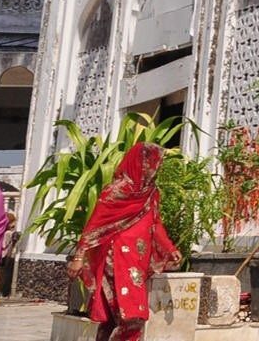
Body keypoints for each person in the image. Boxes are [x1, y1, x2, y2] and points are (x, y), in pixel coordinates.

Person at [67, 143, 180, 341]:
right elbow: (94, 226)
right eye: (151, 163)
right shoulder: (116, 190)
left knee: (114, 318)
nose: (155, 168)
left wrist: (170, 248)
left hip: (137, 262)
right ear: (140, 163)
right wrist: (79, 257)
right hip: (116, 259)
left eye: (156, 163)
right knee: (133, 317)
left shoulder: (151, 192)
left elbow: (156, 224)